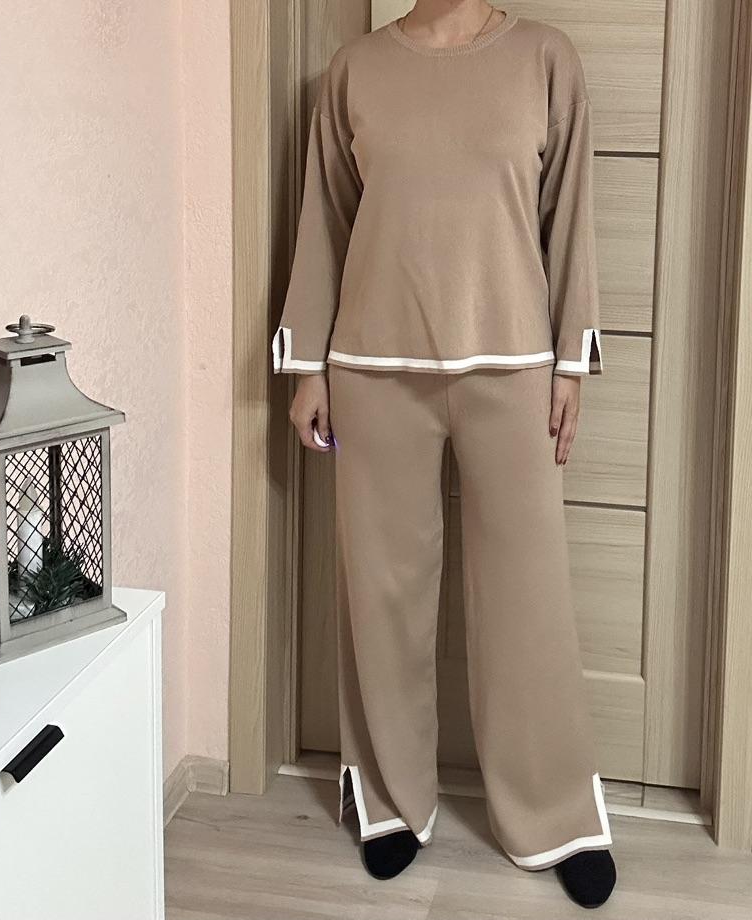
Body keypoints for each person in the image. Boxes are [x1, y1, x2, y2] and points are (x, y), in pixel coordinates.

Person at [273, 1, 615, 908]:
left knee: (527, 599)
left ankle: (555, 816)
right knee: (382, 593)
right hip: (371, 367)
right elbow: (323, 223)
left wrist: (570, 361)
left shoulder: (546, 58)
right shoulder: (354, 71)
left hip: (514, 367)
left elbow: (571, 216)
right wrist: (306, 365)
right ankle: (390, 803)